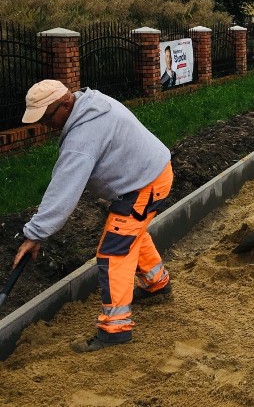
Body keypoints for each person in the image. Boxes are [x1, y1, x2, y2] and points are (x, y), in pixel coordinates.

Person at [13, 80, 174, 353]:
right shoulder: (90, 103)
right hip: (150, 174)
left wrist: (35, 234)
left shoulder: (82, 136)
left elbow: (64, 190)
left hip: (144, 185)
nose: (46, 126)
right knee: (129, 233)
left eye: (48, 118)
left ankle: (116, 328)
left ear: (65, 104)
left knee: (113, 252)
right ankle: (156, 283)